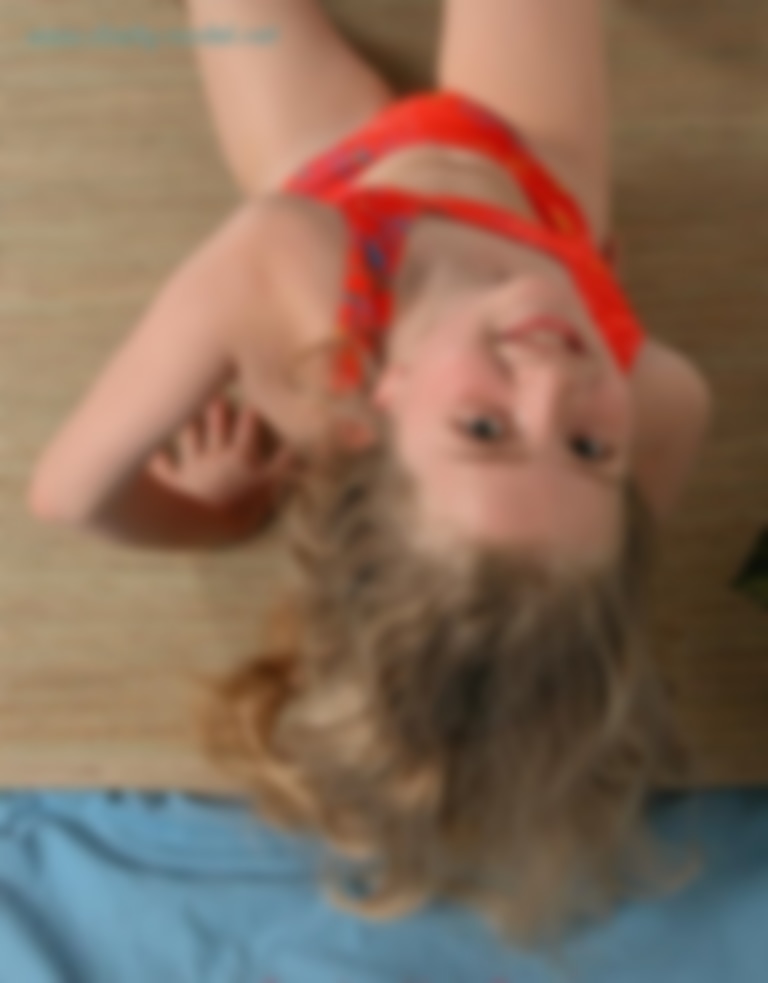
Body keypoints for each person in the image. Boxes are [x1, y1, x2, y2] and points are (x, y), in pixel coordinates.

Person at [28, 0, 714, 952]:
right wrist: (583, 295)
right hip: (533, 179)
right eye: (590, 449)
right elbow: (591, 554)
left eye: (486, 428)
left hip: (339, 167)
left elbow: (66, 492)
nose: (557, 385)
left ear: (371, 417)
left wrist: (211, 515)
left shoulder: (283, 262)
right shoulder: (661, 395)